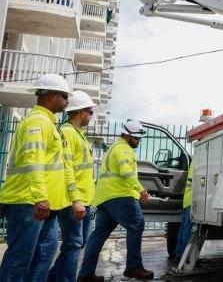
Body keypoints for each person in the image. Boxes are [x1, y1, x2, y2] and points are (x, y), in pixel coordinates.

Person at [0, 74, 85, 282]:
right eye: (65, 97)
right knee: (20, 259)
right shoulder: (38, 122)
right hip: (28, 202)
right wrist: (40, 197)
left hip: (42, 204)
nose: (67, 102)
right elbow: (33, 160)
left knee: (43, 254)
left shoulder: (48, 122)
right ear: (52, 96)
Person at [77, 120, 154, 281]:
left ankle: (85, 274)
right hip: (120, 195)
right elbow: (126, 172)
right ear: (126, 135)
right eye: (136, 138)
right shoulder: (124, 149)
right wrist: (140, 189)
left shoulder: (114, 147)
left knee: (99, 234)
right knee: (137, 224)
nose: (138, 141)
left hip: (105, 197)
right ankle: (133, 267)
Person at [48, 91, 97, 282]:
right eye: (90, 112)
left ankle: (52, 279)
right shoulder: (68, 132)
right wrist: (75, 199)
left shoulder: (78, 134)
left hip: (83, 199)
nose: (91, 116)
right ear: (81, 112)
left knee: (77, 243)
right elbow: (67, 167)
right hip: (74, 200)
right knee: (73, 244)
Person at [173, 162, 193, 263]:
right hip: (192, 198)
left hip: (187, 199)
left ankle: (179, 254)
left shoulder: (195, 159)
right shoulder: (199, 159)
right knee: (187, 229)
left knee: (183, 227)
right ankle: (184, 256)